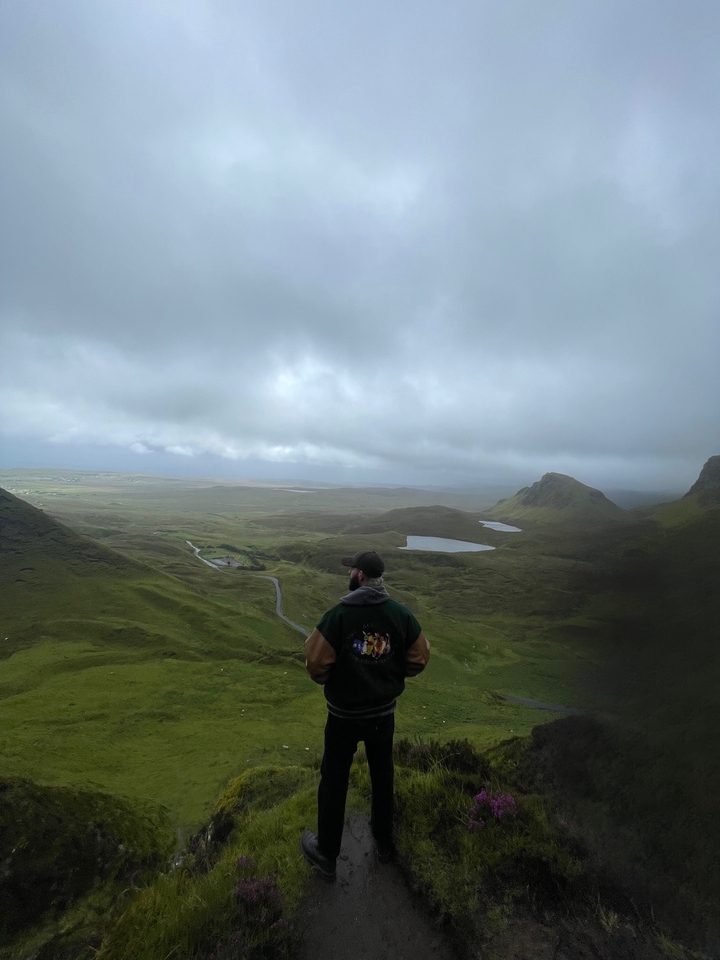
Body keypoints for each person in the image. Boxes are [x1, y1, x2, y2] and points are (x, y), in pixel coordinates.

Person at [301, 550, 430, 879]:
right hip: (382, 715)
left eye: (352, 569)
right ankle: (384, 844)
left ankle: (327, 853)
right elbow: (419, 657)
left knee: (333, 778)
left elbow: (316, 665)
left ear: (359, 576)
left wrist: (340, 678)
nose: (350, 573)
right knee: (383, 773)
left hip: (343, 716)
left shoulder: (339, 616)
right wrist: (389, 674)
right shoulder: (399, 615)